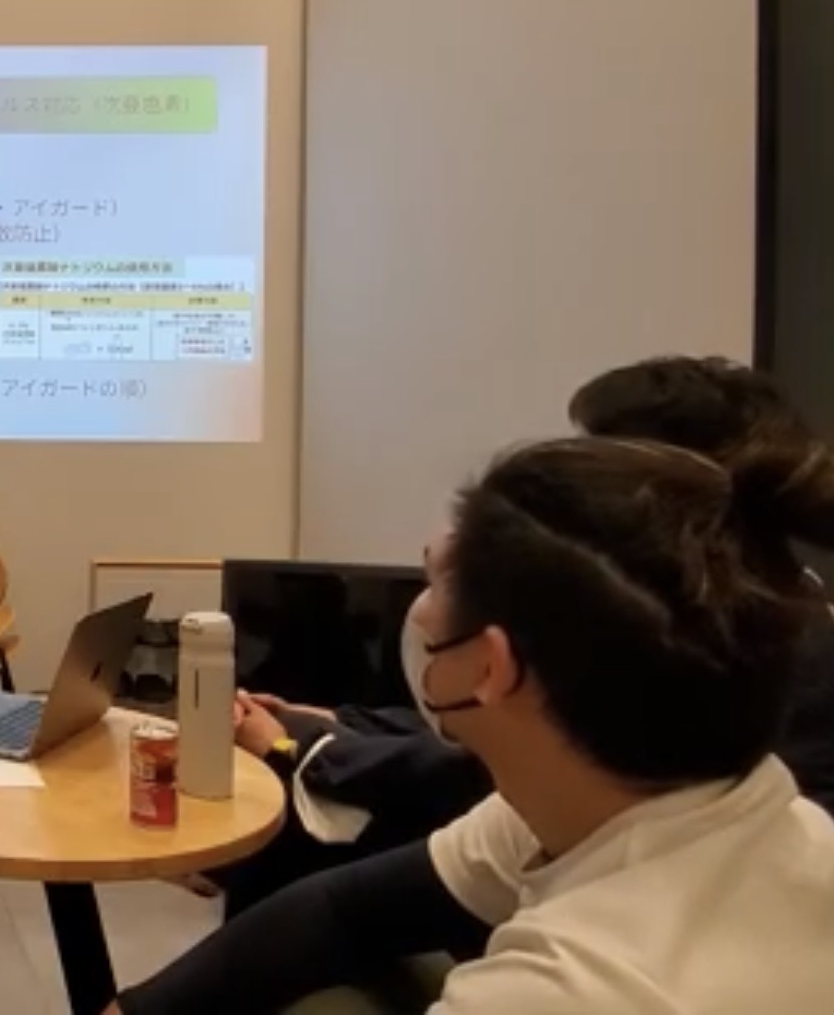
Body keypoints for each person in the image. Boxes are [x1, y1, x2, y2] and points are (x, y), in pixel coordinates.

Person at [112, 435, 834, 1013]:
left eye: (437, 584)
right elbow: (342, 909)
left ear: (490, 664)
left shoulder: (569, 989)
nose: (421, 614)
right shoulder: (650, 801)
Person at [210, 355, 834, 916]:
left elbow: (489, 768)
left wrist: (306, 747)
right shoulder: (741, 604)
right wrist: (332, 726)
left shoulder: (724, 641)